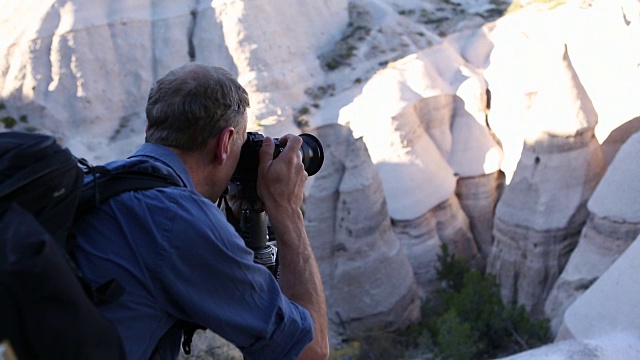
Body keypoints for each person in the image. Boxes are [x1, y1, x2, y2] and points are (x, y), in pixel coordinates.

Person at [73, 62, 329, 360]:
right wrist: (287, 211)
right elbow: (310, 350)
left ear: (149, 130)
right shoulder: (177, 221)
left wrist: (240, 221)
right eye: (241, 143)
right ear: (224, 144)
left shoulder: (103, 181)